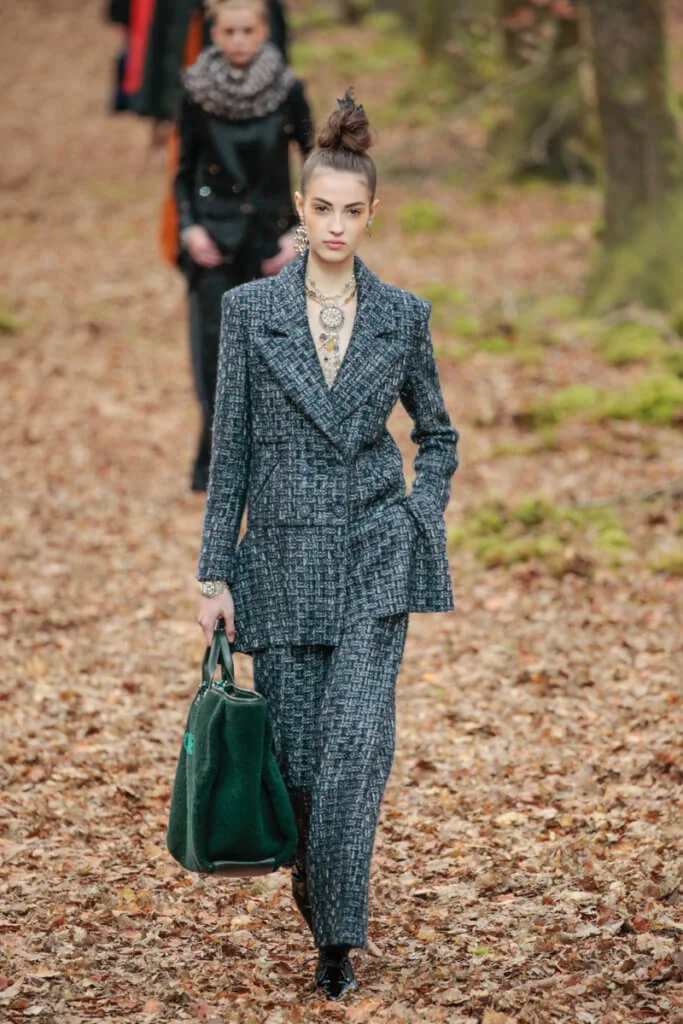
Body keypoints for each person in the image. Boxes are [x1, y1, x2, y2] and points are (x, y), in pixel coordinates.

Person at [196, 92, 459, 1000]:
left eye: (353, 210)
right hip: (277, 562)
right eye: (322, 208)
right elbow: (229, 450)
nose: (337, 225)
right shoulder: (249, 311)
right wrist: (213, 572)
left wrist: (418, 516)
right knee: (301, 766)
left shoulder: (402, 315)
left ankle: (338, 944)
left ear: (372, 213)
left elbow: (438, 433)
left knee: (353, 753)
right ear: (300, 211)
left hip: (374, 556)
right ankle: (319, 889)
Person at [174, 0, 313, 491]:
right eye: (228, 31)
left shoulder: (288, 89)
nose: (237, 40)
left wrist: (300, 238)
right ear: (214, 34)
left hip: (273, 242)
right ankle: (218, 466)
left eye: (246, 30)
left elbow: (320, 171)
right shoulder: (195, 91)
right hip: (213, 240)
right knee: (213, 353)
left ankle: (276, 467)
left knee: (280, 356)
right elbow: (183, 172)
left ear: (263, 32)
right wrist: (189, 229)